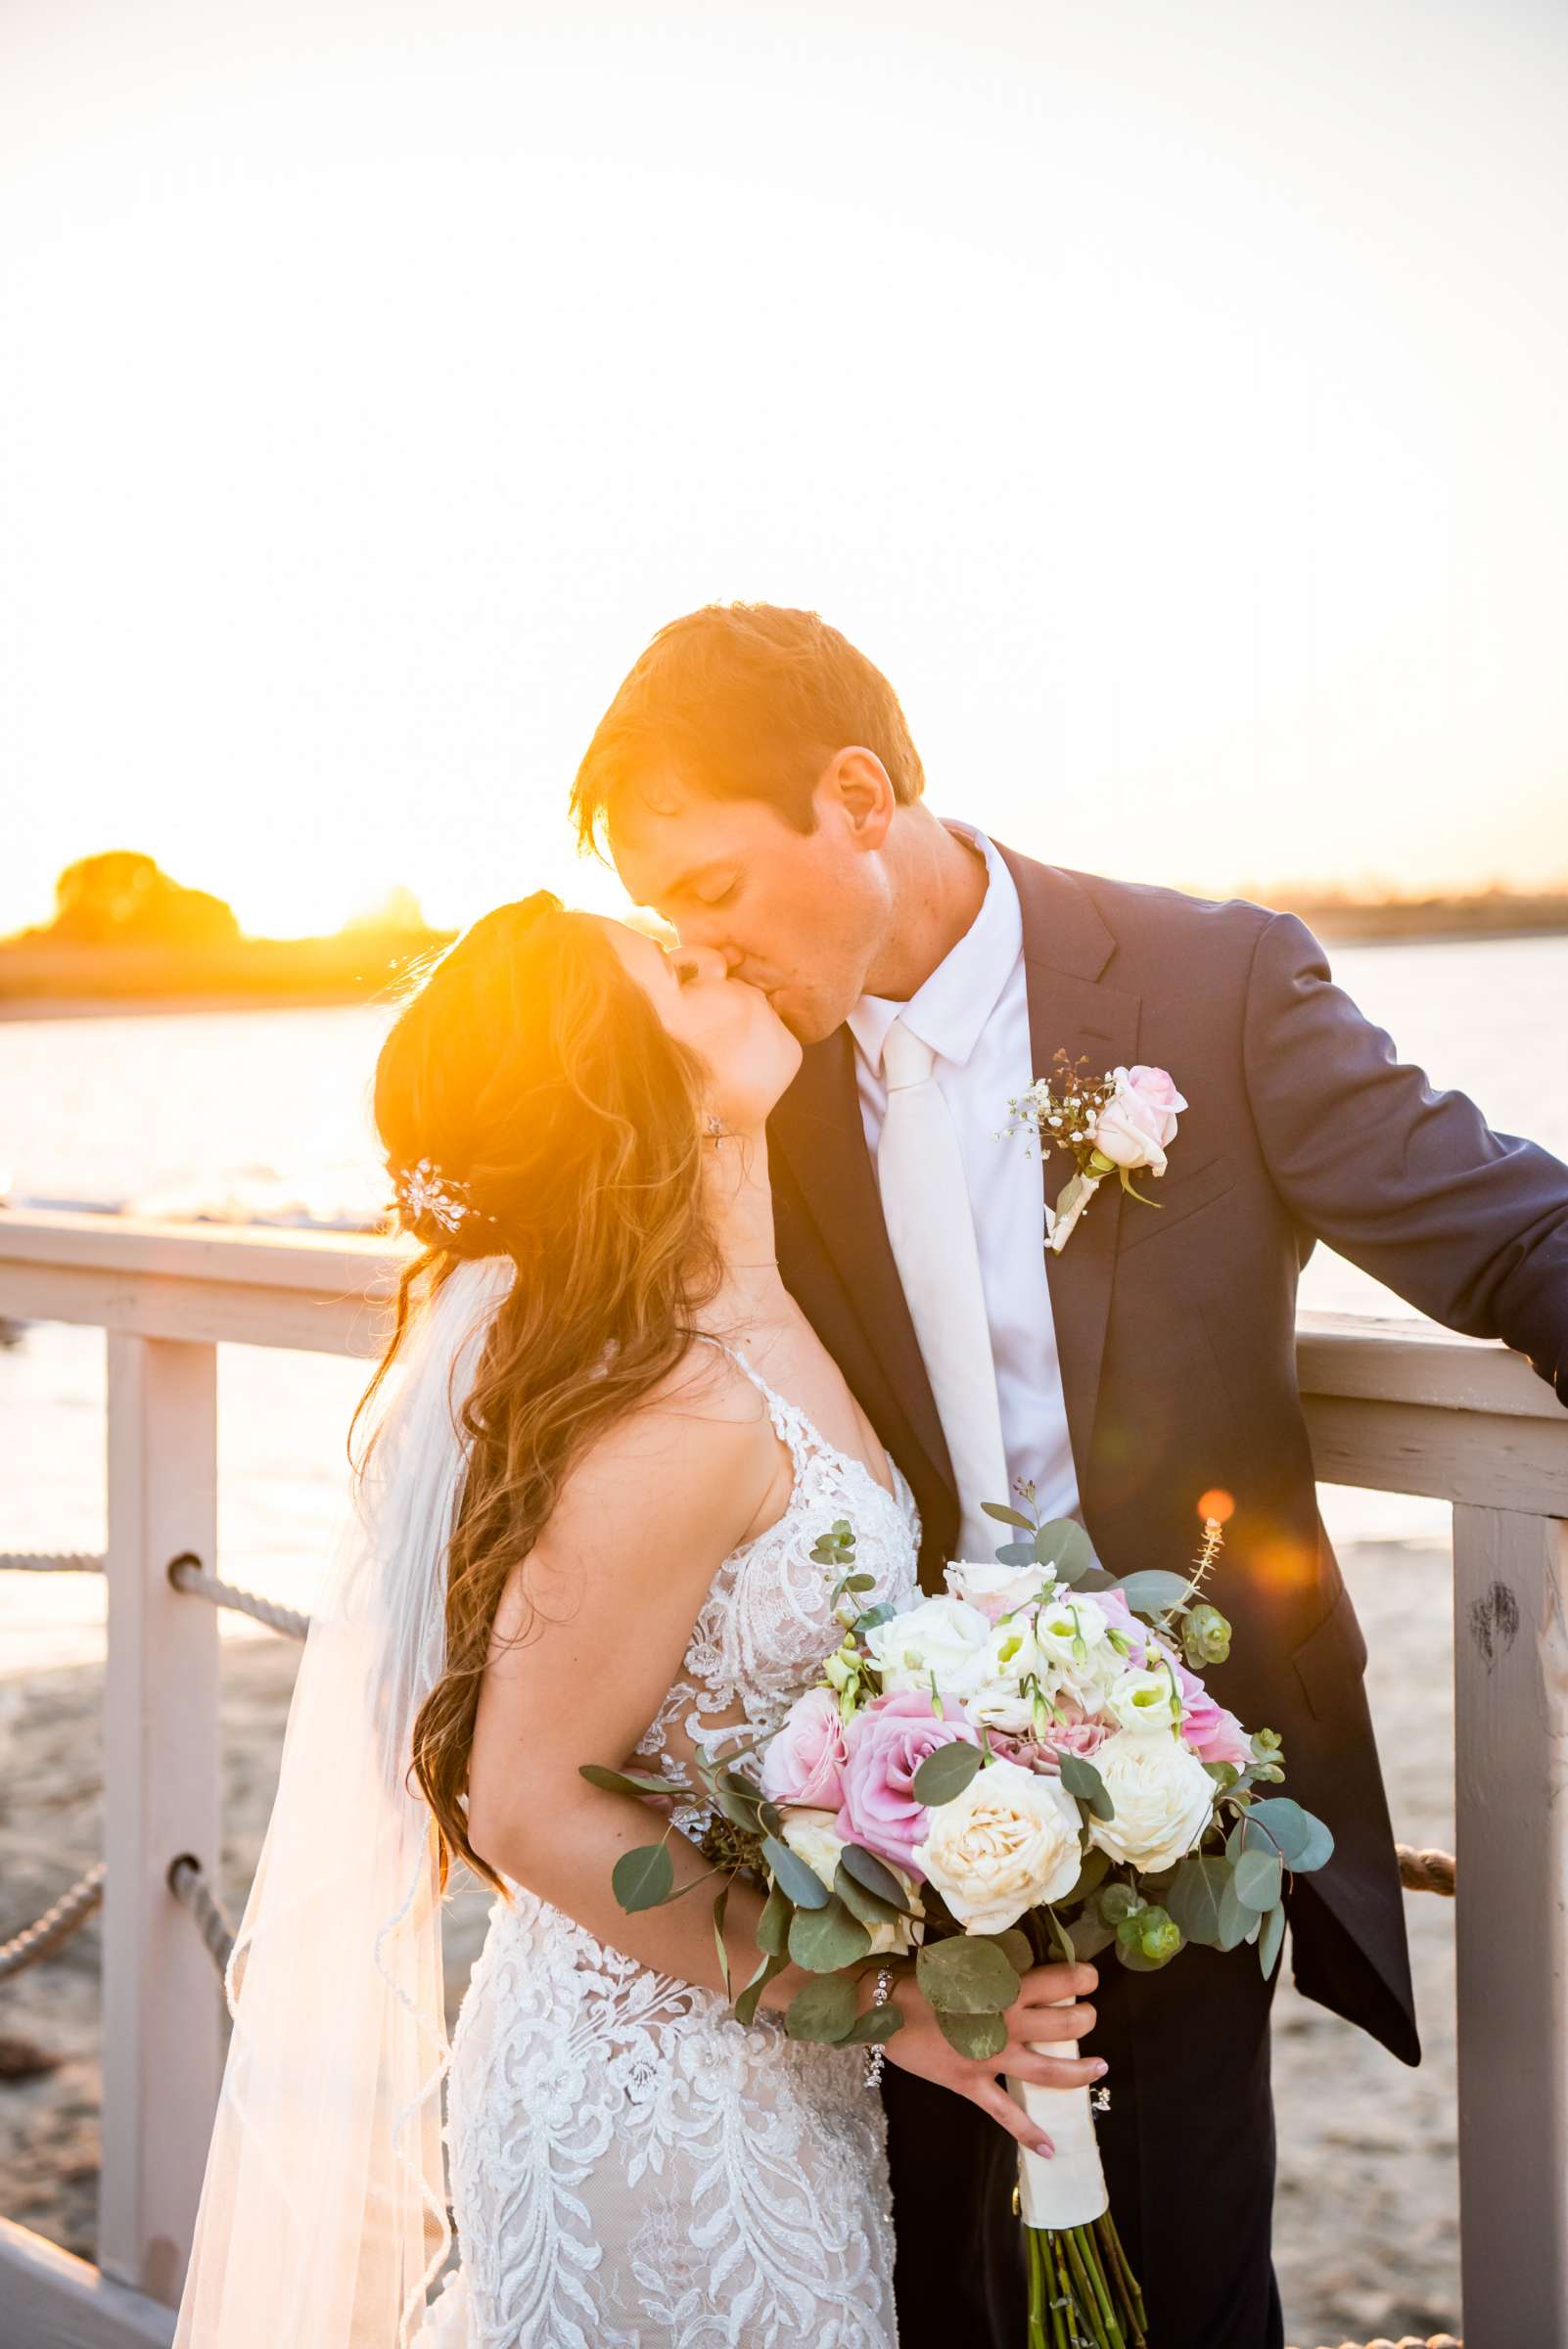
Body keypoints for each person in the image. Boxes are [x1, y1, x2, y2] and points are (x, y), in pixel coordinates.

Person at [571, 600, 1568, 2349]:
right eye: (667, 914)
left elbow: (1504, 1233)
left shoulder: (1212, 979)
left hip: (1173, 1781)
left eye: (713, 889)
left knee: (1183, 2287)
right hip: (848, 1812)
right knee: (928, 2286)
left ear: (857, 798)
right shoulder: (741, 1065)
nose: (696, 950)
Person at [172, 892, 1104, 2349]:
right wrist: (880, 2004)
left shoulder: (766, 1313)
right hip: (656, 2100)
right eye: (675, 966)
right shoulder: (674, 1412)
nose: (718, 949)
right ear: (636, 1089)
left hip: (752, 2069)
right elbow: (529, 1805)